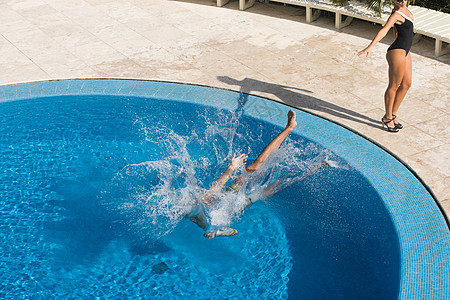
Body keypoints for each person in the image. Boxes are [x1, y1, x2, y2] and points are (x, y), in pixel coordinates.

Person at [188, 110, 315, 239]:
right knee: (276, 184)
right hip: (240, 202)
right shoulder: (197, 212)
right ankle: (315, 167)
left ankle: (289, 127)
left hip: (231, 194)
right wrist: (213, 232)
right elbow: (226, 230)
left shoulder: (203, 200)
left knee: (258, 164)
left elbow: (218, 185)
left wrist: (232, 168)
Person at [358, 0, 414, 133]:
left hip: (405, 51)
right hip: (397, 51)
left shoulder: (408, 12)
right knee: (394, 85)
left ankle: (393, 114)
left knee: (406, 84)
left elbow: (399, 32)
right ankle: (387, 117)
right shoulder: (396, 14)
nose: (403, 1)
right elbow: (384, 30)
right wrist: (370, 47)